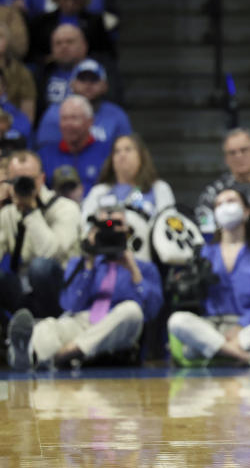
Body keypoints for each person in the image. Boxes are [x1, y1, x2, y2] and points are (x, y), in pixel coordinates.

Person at [5, 204, 162, 371]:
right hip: (85, 320)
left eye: (117, 225)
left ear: (128, 230)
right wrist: (89, 263)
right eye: (104, 226)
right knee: (48, 326)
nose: (111, 230)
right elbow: (70, 305)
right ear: (93, 231)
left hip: (118, 327)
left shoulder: (144, 268)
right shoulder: (81, 264)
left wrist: (133, 270)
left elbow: (151, 311)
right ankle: (30, 357)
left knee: (132, 310)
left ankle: (61, 354)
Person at [167, 189, 250, 366]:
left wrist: (241, 325)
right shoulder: (204, 252)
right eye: (219, 204)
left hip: (248, 328)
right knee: (177, 321)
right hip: (211, 327)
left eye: (231, 201)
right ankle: (246, 357)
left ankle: (215, 351)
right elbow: (194, 301)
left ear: (247, 211)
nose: (225, 207)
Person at [0, 150, 82, 319]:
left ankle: (45, 325)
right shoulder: (7, 213)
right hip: (24, 293)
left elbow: (49, 253)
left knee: (40, 267)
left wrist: (30, 212)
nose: (22, 184)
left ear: (42, 179)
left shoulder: (66, 209)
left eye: (28, 180)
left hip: (62, 293)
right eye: (17, 180)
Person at [35, 58, 131, 148]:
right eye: (82, 79)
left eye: (94, 79)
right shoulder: (55, 113)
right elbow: (46, 151)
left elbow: (125, 149)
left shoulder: (117, 115)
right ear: (72, 84)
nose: (88, 84)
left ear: (105, 86)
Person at [82, 134, 175, 223]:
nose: (122, 154)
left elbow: (167, 223)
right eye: (117, 151)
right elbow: (85, 223)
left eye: (128, 149)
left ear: (141, 156)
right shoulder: (99, 191)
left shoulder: (159, 188)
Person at [37, 94, 111, 195]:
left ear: (90, 122)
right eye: (64, 118)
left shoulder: (107, 153)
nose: (68, 124)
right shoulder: (44, 155)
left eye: (74, 118)